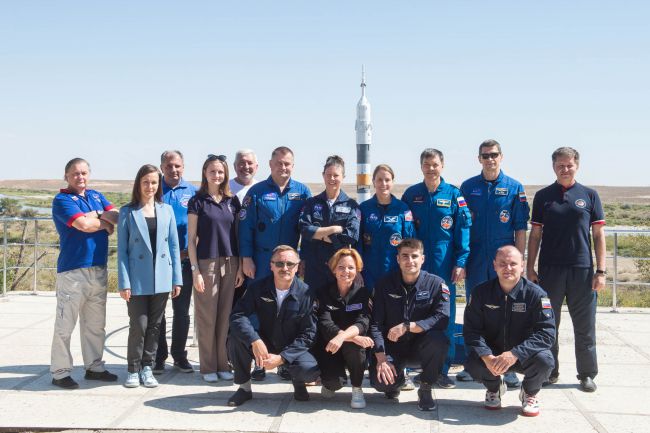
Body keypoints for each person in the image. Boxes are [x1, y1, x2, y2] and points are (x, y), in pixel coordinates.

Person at [527, 147, 606, 393]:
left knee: (585, 326)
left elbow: (598, 234)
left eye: (569, 165)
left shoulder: (589, 195)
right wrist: (530, 268)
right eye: (560, 165)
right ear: (553, 167)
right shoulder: (543, 196)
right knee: (548, 323)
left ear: (577, 166)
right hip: (550, 270)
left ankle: (587, 374)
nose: (565, 169)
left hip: (582, 270)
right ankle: (550, 371)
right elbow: (535, 235)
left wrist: (601, 271)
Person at [458, 139, 530, 387]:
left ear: (501, 157)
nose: (490, 159)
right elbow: (462, 227)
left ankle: (508, 367)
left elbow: (520, 228)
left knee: (507, 312)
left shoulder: (514, 188)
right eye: (485, 155)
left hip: (504, 261)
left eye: (494, 155)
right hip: (477, 258)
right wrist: (462, 259)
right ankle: (473, 363)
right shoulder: (468, 187)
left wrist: (519, 261)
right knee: (475, 310)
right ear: (479, 159)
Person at [401, 149, 471, 388]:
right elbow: (406, 231)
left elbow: (463, 230)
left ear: (442, 165)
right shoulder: (412, 194)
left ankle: (442, 369)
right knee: (414, 315)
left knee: (444, 317)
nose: (431, 169)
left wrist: (461, 262)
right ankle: (415, 366)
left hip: (444, 265)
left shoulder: (454, 195)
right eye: (426, 164)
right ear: (421, 167)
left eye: (435, 164)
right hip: (416, 266)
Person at [50, 157, 119, 389]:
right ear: (66, 176)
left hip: (98, 268)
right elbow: (83, 225)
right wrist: (102, 220)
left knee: (95, 324)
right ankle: (60, 372)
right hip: (73, 271)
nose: (80, 177)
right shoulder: (62, 200)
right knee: (65, 325)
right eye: (75, 173)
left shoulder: (96, 196)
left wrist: (96, 215)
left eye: (84, 173)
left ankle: (94, 367)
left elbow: (116, 217)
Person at [464, 246, 555, 416]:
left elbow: (547, 334)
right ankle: (494, 388)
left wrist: (515, 353)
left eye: (513, 264)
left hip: (524, 355)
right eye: (502, 263)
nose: (508, 268)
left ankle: (529, 392)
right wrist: (486, 356)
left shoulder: (537, 295)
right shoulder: (480, 293)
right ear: (494, 265)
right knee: (472, 363)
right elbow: (471, 331)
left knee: (545, 361)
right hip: (493, 356)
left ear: (522, 266)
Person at [227, 245, 320, 406]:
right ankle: (244, 388)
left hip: (292, 345)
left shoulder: (306, 293)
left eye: (290, 264)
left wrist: (283, 357)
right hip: (265, 341)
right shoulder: (257, 288)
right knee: (236, 338)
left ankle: (298, 383)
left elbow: (309, 334)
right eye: (279, 263)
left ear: (297, 267)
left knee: (308, 369)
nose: (285, 268)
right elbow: (237, 315)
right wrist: (254, 340)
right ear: (271, 266)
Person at [117, 164, 183, 388]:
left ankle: (148, 367)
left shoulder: (167, 210)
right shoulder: (127, 212)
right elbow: (122, 252)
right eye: (145, 182)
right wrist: (124, 282)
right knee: (139, 324)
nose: (150, 186)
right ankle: (133, 368)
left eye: (154, 182)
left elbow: (173, 246)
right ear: (138, 184)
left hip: (162, 276)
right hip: (137, 278)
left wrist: (177, 279)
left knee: (155, 325)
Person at [369, 238, 450, 411]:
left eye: (414, 256)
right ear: (398, 259)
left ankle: (426, 387)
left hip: (421, 348)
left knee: (438, 340)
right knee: (381, 383)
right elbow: (375, 324)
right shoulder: (384, 285)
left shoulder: (436, 284)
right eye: (405, 256)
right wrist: (381, 359)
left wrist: (408, 326)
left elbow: (442, 318)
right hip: (392, 347)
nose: (410, 260)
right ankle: (396, 383)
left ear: (423, 259)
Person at [187, 154, 244, 383]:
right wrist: (195, 271)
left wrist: (240, 267)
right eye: (212, 171)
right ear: (205, 173)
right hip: (206, 264)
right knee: (207, 317)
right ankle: (208, 366)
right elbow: (191, 240)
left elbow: (237, 235)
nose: (217, 175)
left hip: (230, 263)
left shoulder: (232, 201)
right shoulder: (197, 201)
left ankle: (222, 364)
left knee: (224, 317)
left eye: (220, 171)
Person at [154, 150, 198, 375]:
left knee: (182, 311)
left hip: (185, 261)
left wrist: (188, 252)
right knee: (158, 311)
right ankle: (158, 357)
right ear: (162, 167)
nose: (173, 170)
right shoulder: (154, 188)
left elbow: (201, 227)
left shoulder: (193, 192)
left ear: (183, 167)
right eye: (169, 166)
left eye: (177, 166)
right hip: (158, 263)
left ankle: (179, 356)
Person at [239, 146, 311, 280]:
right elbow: (245, 227)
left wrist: (304, 258)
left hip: (289, 262)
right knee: (259, 293)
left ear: (293, 166)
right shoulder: (256, 191)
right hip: (261, 261)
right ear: (270, 164)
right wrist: (246, 258)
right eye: (279, 163)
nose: (283, 167)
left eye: (287, 164)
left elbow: (307, 230)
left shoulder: (303, 192)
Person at [314, 248, 373, 409]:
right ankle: (330, 382)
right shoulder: (322, 292)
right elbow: (325, 323)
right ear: (334, 269)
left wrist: (343, 337)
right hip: (330, 344)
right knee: (333, 383)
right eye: (341, 267)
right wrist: (350, 337)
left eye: (351, 267)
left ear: (357, 270)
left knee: (356, 347)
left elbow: (363, 322)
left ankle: (357, 387)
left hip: (352, 346)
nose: (346, 271)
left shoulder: (364, 293)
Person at [299, 155, 360, 290]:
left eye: (336, 175)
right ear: (323, 176)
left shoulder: (351, 205)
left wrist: (320, 235)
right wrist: (334, 229)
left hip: (339, 270)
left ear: (343, 177)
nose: (332, 179)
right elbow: (304, 230)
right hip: (314, 268)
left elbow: (351, 236)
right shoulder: (311, 203)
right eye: (328, 175)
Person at [359, 164, 415, 290]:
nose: (383, 183)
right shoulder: (364, 208)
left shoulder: (403, 209)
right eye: (379, 180)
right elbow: (357, 243)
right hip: (368, 274)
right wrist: (358, 270)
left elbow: (410, 242)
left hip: (396, 273)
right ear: (373, 182)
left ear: (392, 182)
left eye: (387, 180)